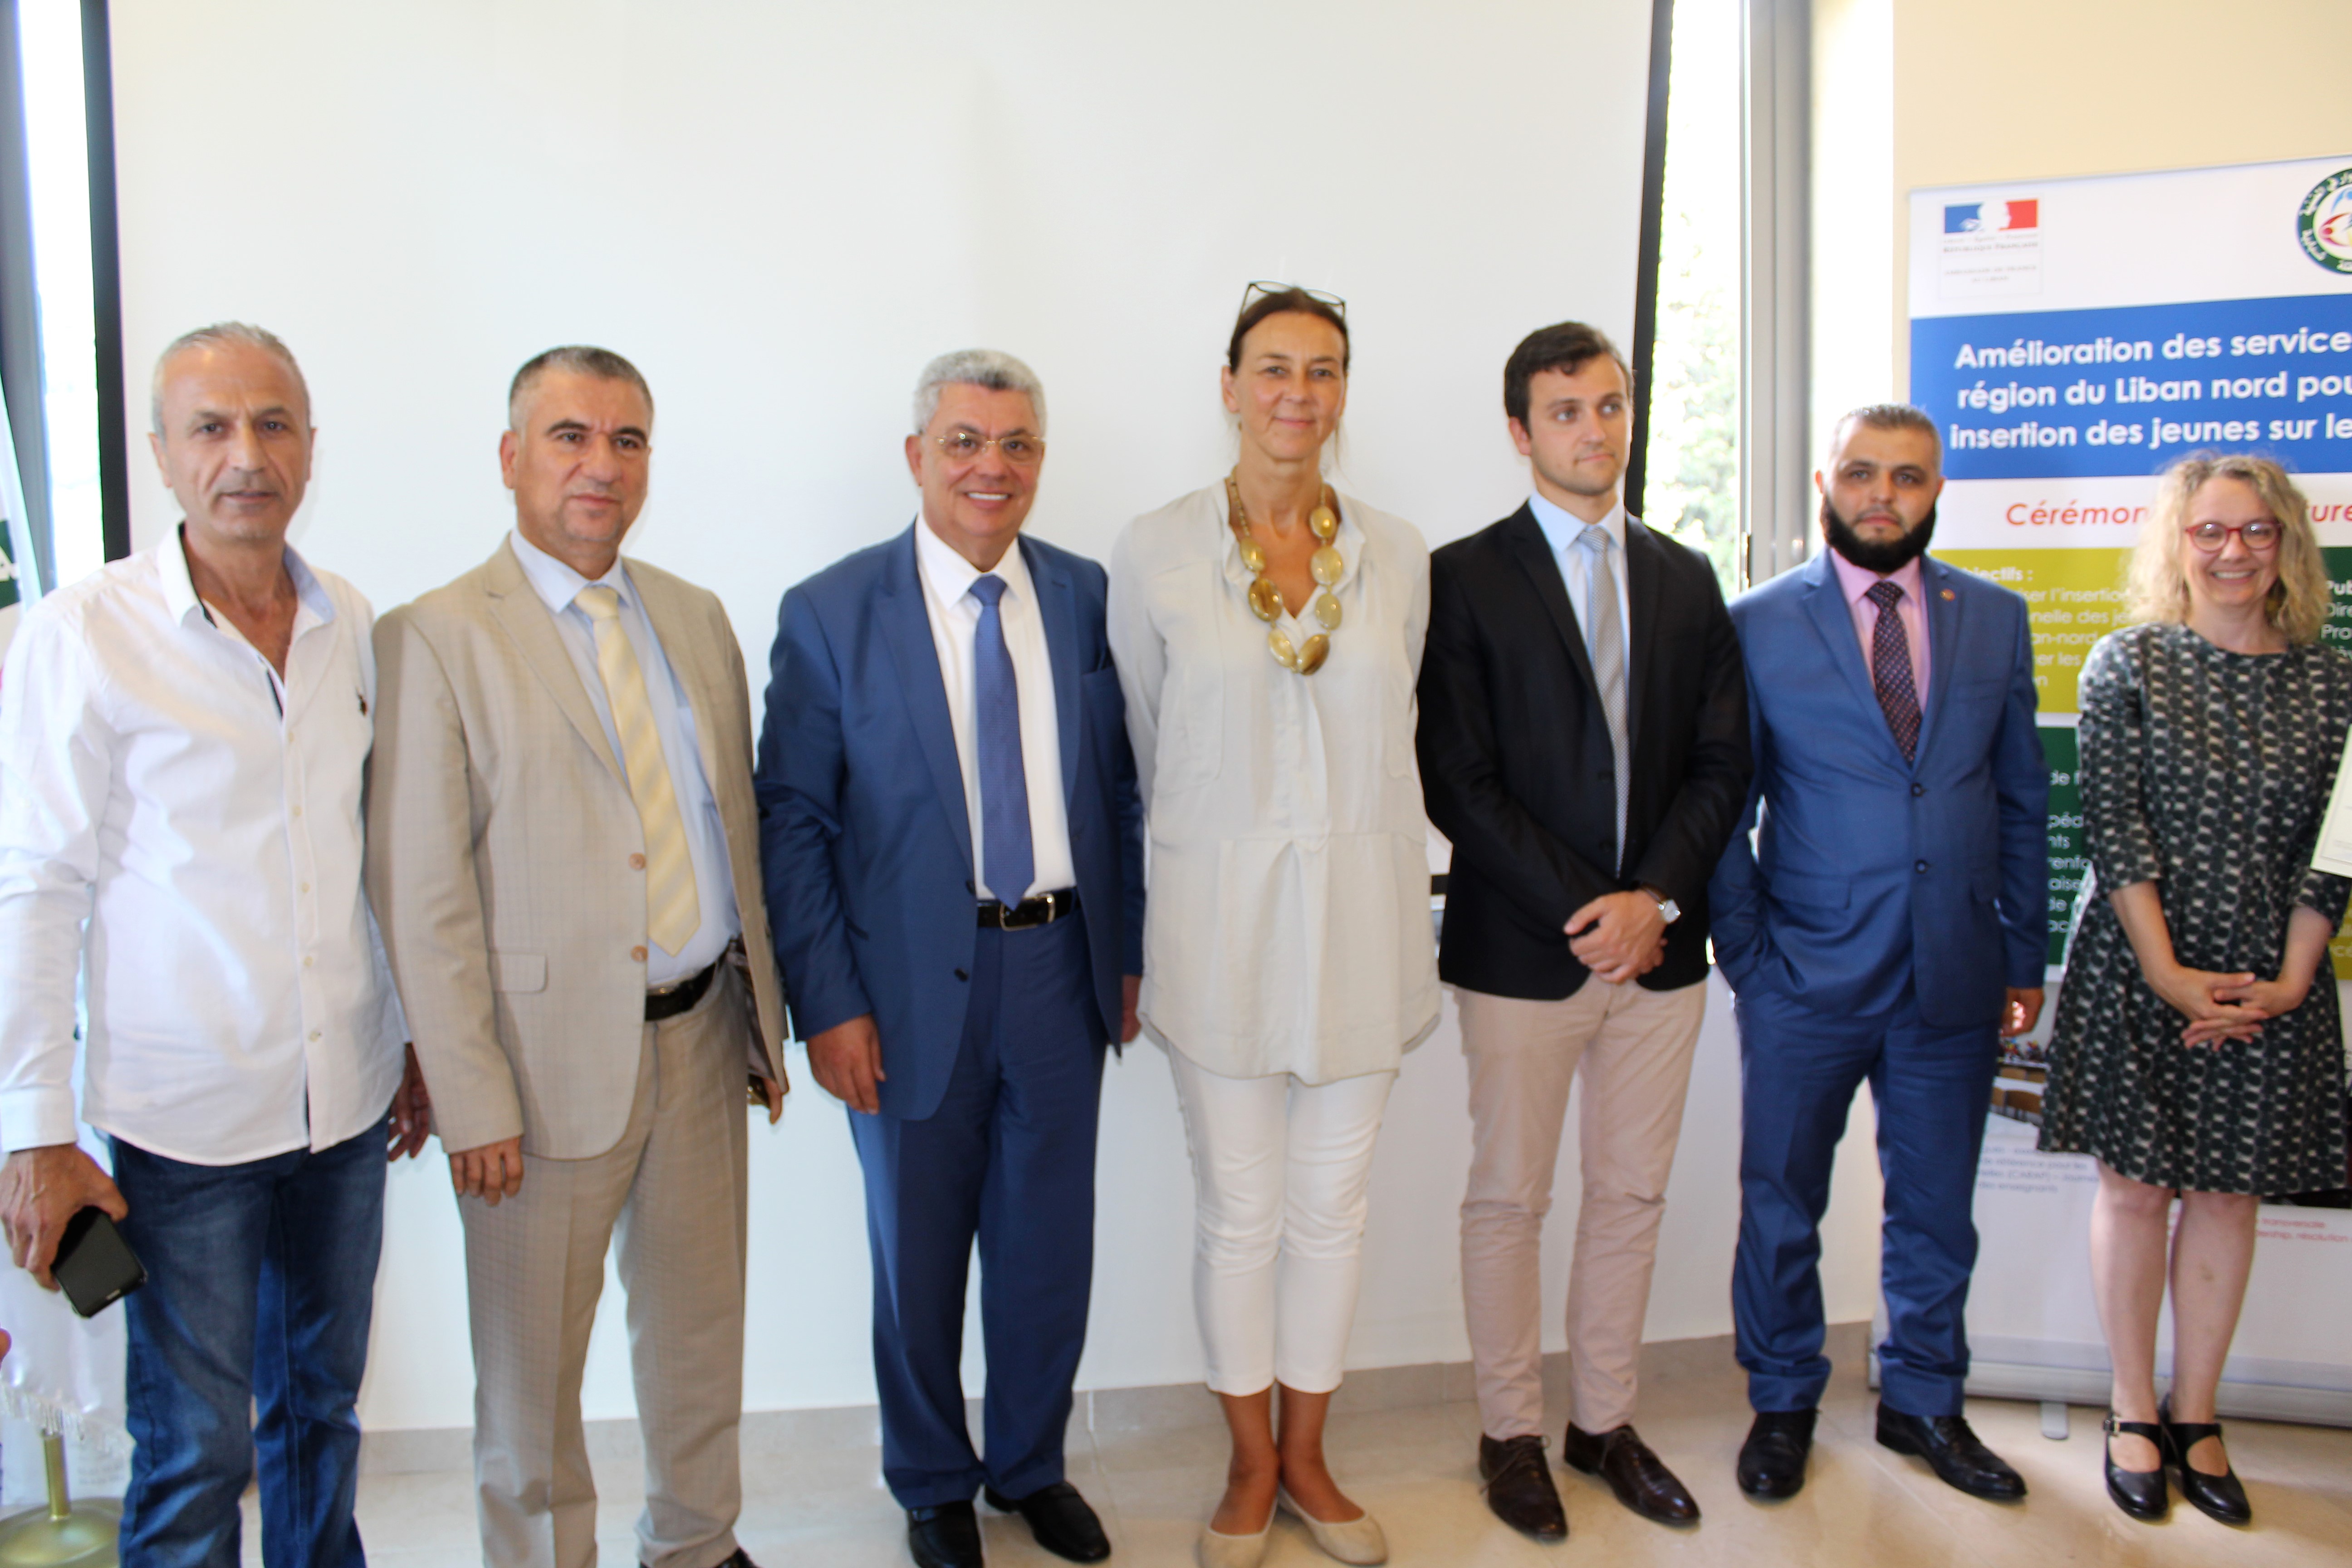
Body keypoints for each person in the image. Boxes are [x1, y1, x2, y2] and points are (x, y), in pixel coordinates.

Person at [0, 323, 429, 1565]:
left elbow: (364, 852)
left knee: (321, 1416)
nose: (247, 455)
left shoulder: (347, 619)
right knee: (195, 1447)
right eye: (211, 427)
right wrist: (34, 1131)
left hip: (343, 1104)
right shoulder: (86, 634)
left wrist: (405, 1038)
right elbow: (35, 886)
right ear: (161, 453)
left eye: (273, 424)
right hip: (183, 1126)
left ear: (310, 448)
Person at [368, 346, 787, 1568]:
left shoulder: (694, 618)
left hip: (700, 1038)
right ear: (512, 458)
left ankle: (698, 1544)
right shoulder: (436, 636)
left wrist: (759, 1021)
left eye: (627, 440)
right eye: (570, 436)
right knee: (532, 1380)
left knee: (700, 1339)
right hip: (534, 1077)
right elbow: (422, 893)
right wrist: (471, 1095)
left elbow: (730, 826)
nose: (601, 464)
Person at [759, 350, 1142, 1568]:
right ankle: (931, 1481)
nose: (992, 466)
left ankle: (1030, 1467)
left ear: (1041, 462)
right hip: (903, 991)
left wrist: (1126, 954)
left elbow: (1119, 791)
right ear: (917, 455)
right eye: (966, 441)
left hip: (1060, 971)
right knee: (916, 1259)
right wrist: (827, 1003)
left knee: (1047, 1249)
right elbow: (793, 822)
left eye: (1016, 444)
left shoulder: (1083, 595)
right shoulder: (831, 612)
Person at [1108, 284, 1434, 1568]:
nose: (1300, 392)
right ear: (1231, 385)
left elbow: (1401, 729)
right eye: (1276, 367)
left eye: (1324, 369)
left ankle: (1310, 1458)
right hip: (1220, 932)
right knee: (1239, 1213)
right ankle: (1249, 1465)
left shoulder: (1398, 553)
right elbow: (1146, 740)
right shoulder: (1155, 548)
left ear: (1344, 392)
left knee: (1332, 1211)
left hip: (1362, 927)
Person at [1417, 321, 1751, 1539]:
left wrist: (1651, 900)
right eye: (1566, 411)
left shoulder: (1686, 575)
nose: (1594, 429)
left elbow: (1724, 761)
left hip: (1661, 954)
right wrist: (1590, 909)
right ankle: (1511, 1435)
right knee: (1509, 1199)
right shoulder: (1461, 577)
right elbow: (1457, 779)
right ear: (1522, 432)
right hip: (1522, 954)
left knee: (1631, 1195)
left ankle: (1603, 1423)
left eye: (1610, 405)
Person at [1709, 403, 2047, 1504]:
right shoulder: (1756, 623)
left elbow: (2021, 798)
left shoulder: (1994, 617)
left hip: (1955, 970)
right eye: (1861, 473)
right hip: (1805, 976)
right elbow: (1722, 808)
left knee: (1937, 1209)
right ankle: (1782, 1403)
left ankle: (1924, 1403)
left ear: (1937, 489)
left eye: (1907, 477)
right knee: (1781, 1203)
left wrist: (2022, 957)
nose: (1882, 496)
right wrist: (1749, 957)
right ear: (1826, 484)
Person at [2038, 453, 2350, 1527]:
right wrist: (2171, 974)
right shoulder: (2127, 662)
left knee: (2228, 1195)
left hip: (2274, 974)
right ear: (2178, 545)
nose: (2233, 551)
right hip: (2142, 964)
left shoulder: (2336, 682)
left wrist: (2292, 979)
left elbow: (2337, 846)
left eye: (2256, 531)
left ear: (2288, 545)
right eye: (2209, 531)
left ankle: (2197, 1414)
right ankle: (2132, 1409)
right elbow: (2116, 830)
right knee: (2135, 1191)